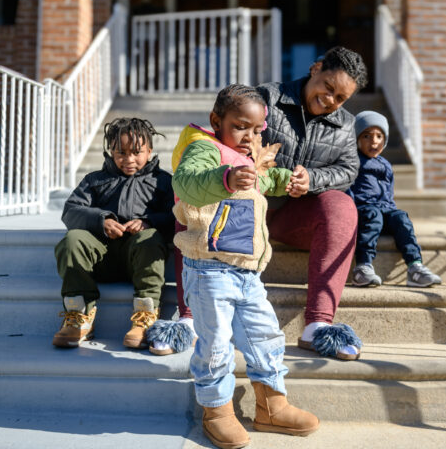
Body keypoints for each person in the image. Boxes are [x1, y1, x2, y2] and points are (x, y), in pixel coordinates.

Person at [169, 84, 319, 449]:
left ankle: (271, 404)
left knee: (265, 337)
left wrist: (291, 182)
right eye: (240, 127)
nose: (250, 136)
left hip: (248, 273)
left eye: (256, 130)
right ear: (216, 120)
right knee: (217, 344)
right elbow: (185, 184)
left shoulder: (248, 156)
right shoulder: (202, 150)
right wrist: (224, 179)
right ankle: (216, 411)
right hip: (208, 271)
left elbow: (265, 180)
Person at [256, 46, 366, 361]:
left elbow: (348, 170)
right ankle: (193, 314)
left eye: (340, 98)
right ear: (316, 69)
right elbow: (236, 139)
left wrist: (312, 179)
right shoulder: (267, 97)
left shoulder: (346, 124)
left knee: (342, 207)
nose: (331, 100)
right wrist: (272, 174)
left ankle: (318, 324)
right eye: (328, 88)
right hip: (247, 207)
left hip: (293, 218)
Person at [52, 117, 174, 349]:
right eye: (121, 153)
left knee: (149, 238)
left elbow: (176, 215)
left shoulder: (163, 182)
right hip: (101, 259)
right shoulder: (95, 180)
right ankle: (79, 316)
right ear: (110, 151)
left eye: (136, 152)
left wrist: (149, 222)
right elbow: (71, 211)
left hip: (140, 259)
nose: (128, 159)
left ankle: (145, 317)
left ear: (150, 150)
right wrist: (101, 220)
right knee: (72, 240)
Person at [349, 111, 441, 288]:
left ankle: (415, 267)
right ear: (356, 139)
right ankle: (362, 267)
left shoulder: (385, 164)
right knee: (373, 215)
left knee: (402, 218)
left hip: (384, 209)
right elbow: (347, 187)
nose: (374, 141)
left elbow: (388, 192)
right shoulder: (353, 161)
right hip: (363, 210)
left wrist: (391, 210)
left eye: (379, 136)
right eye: (366, 136)